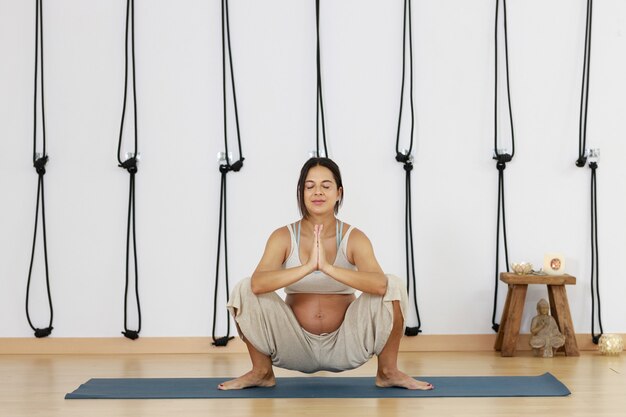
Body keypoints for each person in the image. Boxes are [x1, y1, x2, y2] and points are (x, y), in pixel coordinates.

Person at [218, 157, 433, 390]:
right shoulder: (282, 236)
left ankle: (388, 372)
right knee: (244, 288)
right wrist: (308, 267)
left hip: (346, 344)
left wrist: (329, 268)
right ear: (301, 192)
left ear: (339, 192)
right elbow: (258, 284)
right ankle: (261, 372)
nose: (317, 192)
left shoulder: (354, 237)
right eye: (310, 186)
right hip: (294, 344)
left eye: (326, 185)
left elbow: (381, 285)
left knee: (394, 284)